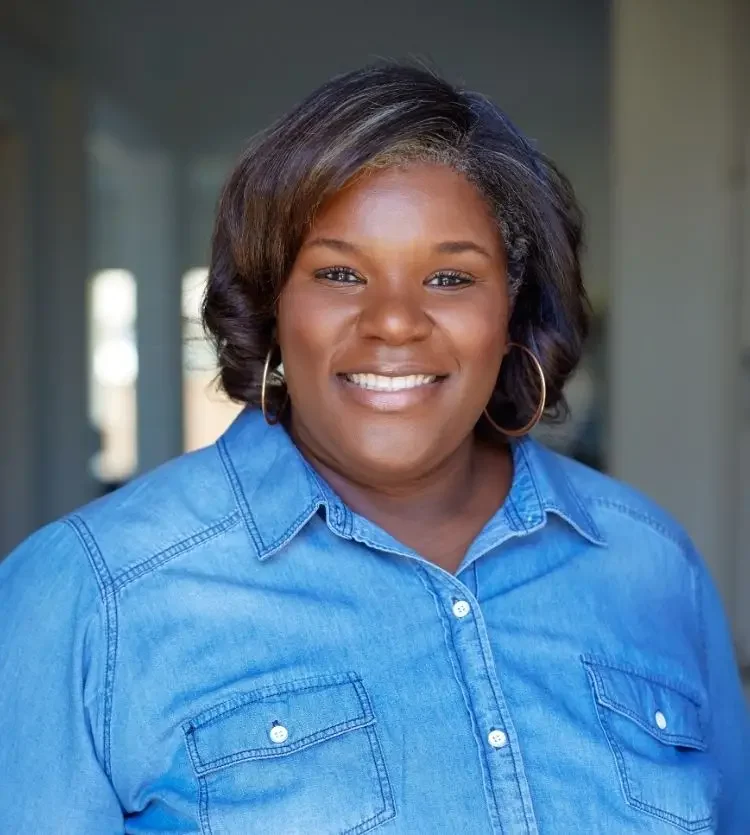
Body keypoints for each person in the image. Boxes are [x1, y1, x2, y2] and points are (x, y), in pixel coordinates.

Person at [0, 63, 747, 835]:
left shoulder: (650, 564)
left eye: (451, 276)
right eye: (341, 273)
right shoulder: (93, 595)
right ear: (273, 302)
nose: (395, 322)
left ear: (512, 309)